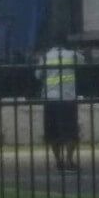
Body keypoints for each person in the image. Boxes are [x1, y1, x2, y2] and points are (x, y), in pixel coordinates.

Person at [37, 41, 83, 172]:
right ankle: (69, 161)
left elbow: (38, 75)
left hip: (50, 98)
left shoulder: (45, 57)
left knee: (53, 132)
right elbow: (83, 63)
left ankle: (58, 161)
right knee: (71, 131)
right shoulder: (73, 55)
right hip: (67, 97)